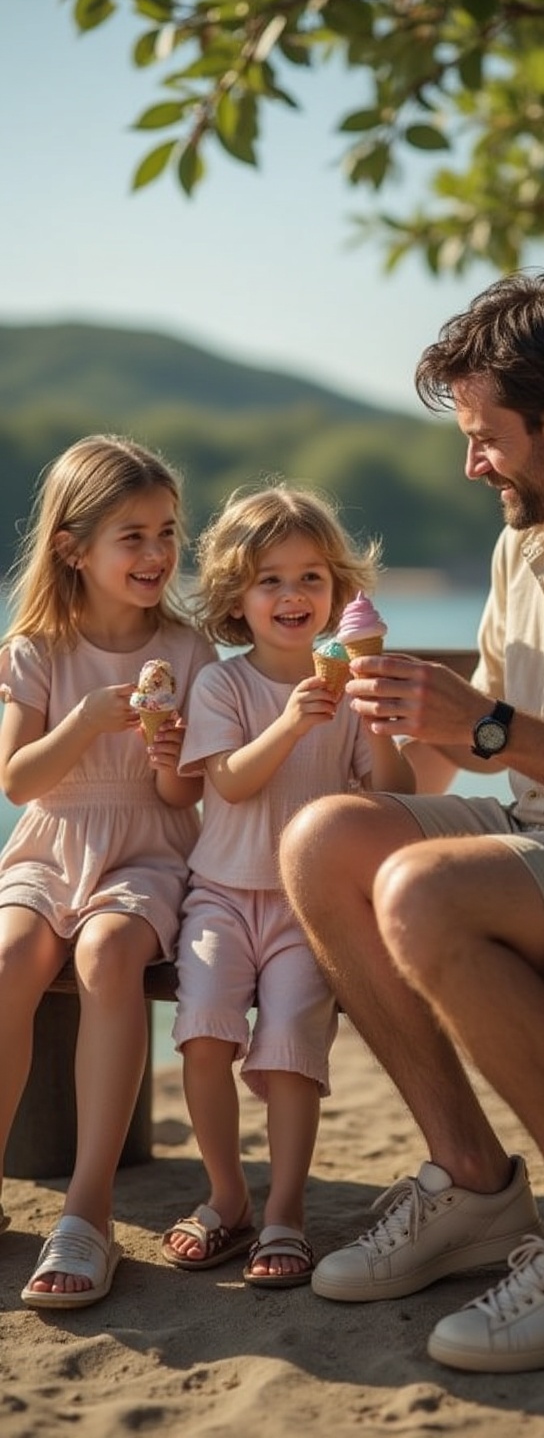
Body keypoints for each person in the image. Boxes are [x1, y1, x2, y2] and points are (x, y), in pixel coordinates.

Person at [279, 271, 544, 1372]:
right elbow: (462, 748)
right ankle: (472, 1185)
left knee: (422, 889)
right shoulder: (524, 543)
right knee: (324, 837)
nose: (470, 463)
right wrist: (374, 732)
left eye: (483, 436)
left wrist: (487, 728)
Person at [161, 484, 414, 1287]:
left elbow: (392, 795)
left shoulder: (350, 693)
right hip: (223, 897)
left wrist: (372, 719)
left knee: (292, 1053)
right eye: (270, 579)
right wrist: (292, 720)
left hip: (314, 907)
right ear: (238, 596)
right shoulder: (223, 686)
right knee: (204, 1031)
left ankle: (287, 1210)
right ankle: (229, 1196)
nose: (292, 594)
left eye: (311, 577)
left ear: (338, 591)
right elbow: (227, 782)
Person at [0, 434, 215, 1309]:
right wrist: (87, 722)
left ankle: (87, 1209)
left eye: (167, 531)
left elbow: (178, 794)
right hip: (52, 842)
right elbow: (19, 779)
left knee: (107, 956)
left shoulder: (190, 651)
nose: (158, 553)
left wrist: (170, 751)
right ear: (73, 548)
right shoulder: (36, 650)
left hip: (149, 848)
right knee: (9, 962)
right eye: (133, 535)